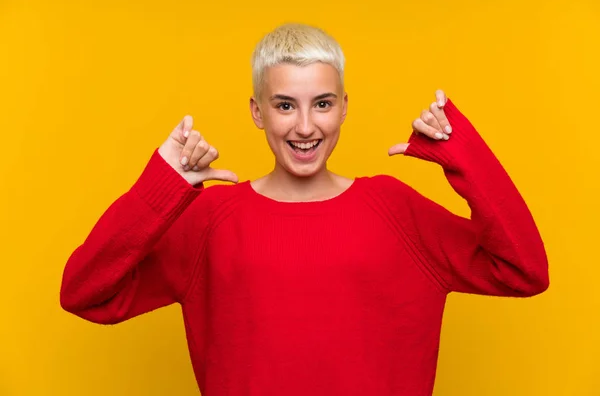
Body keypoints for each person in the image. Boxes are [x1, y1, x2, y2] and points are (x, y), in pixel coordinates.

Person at [60, 23, 549, 395]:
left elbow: (524, 271)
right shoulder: (212, 219)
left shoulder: (395, 209)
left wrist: (462, 156)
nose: (305, 126)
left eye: (322, 103)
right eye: (285, 105)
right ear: (257, 111)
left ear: (344, 107)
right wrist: (161, 190)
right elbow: (85, 293)